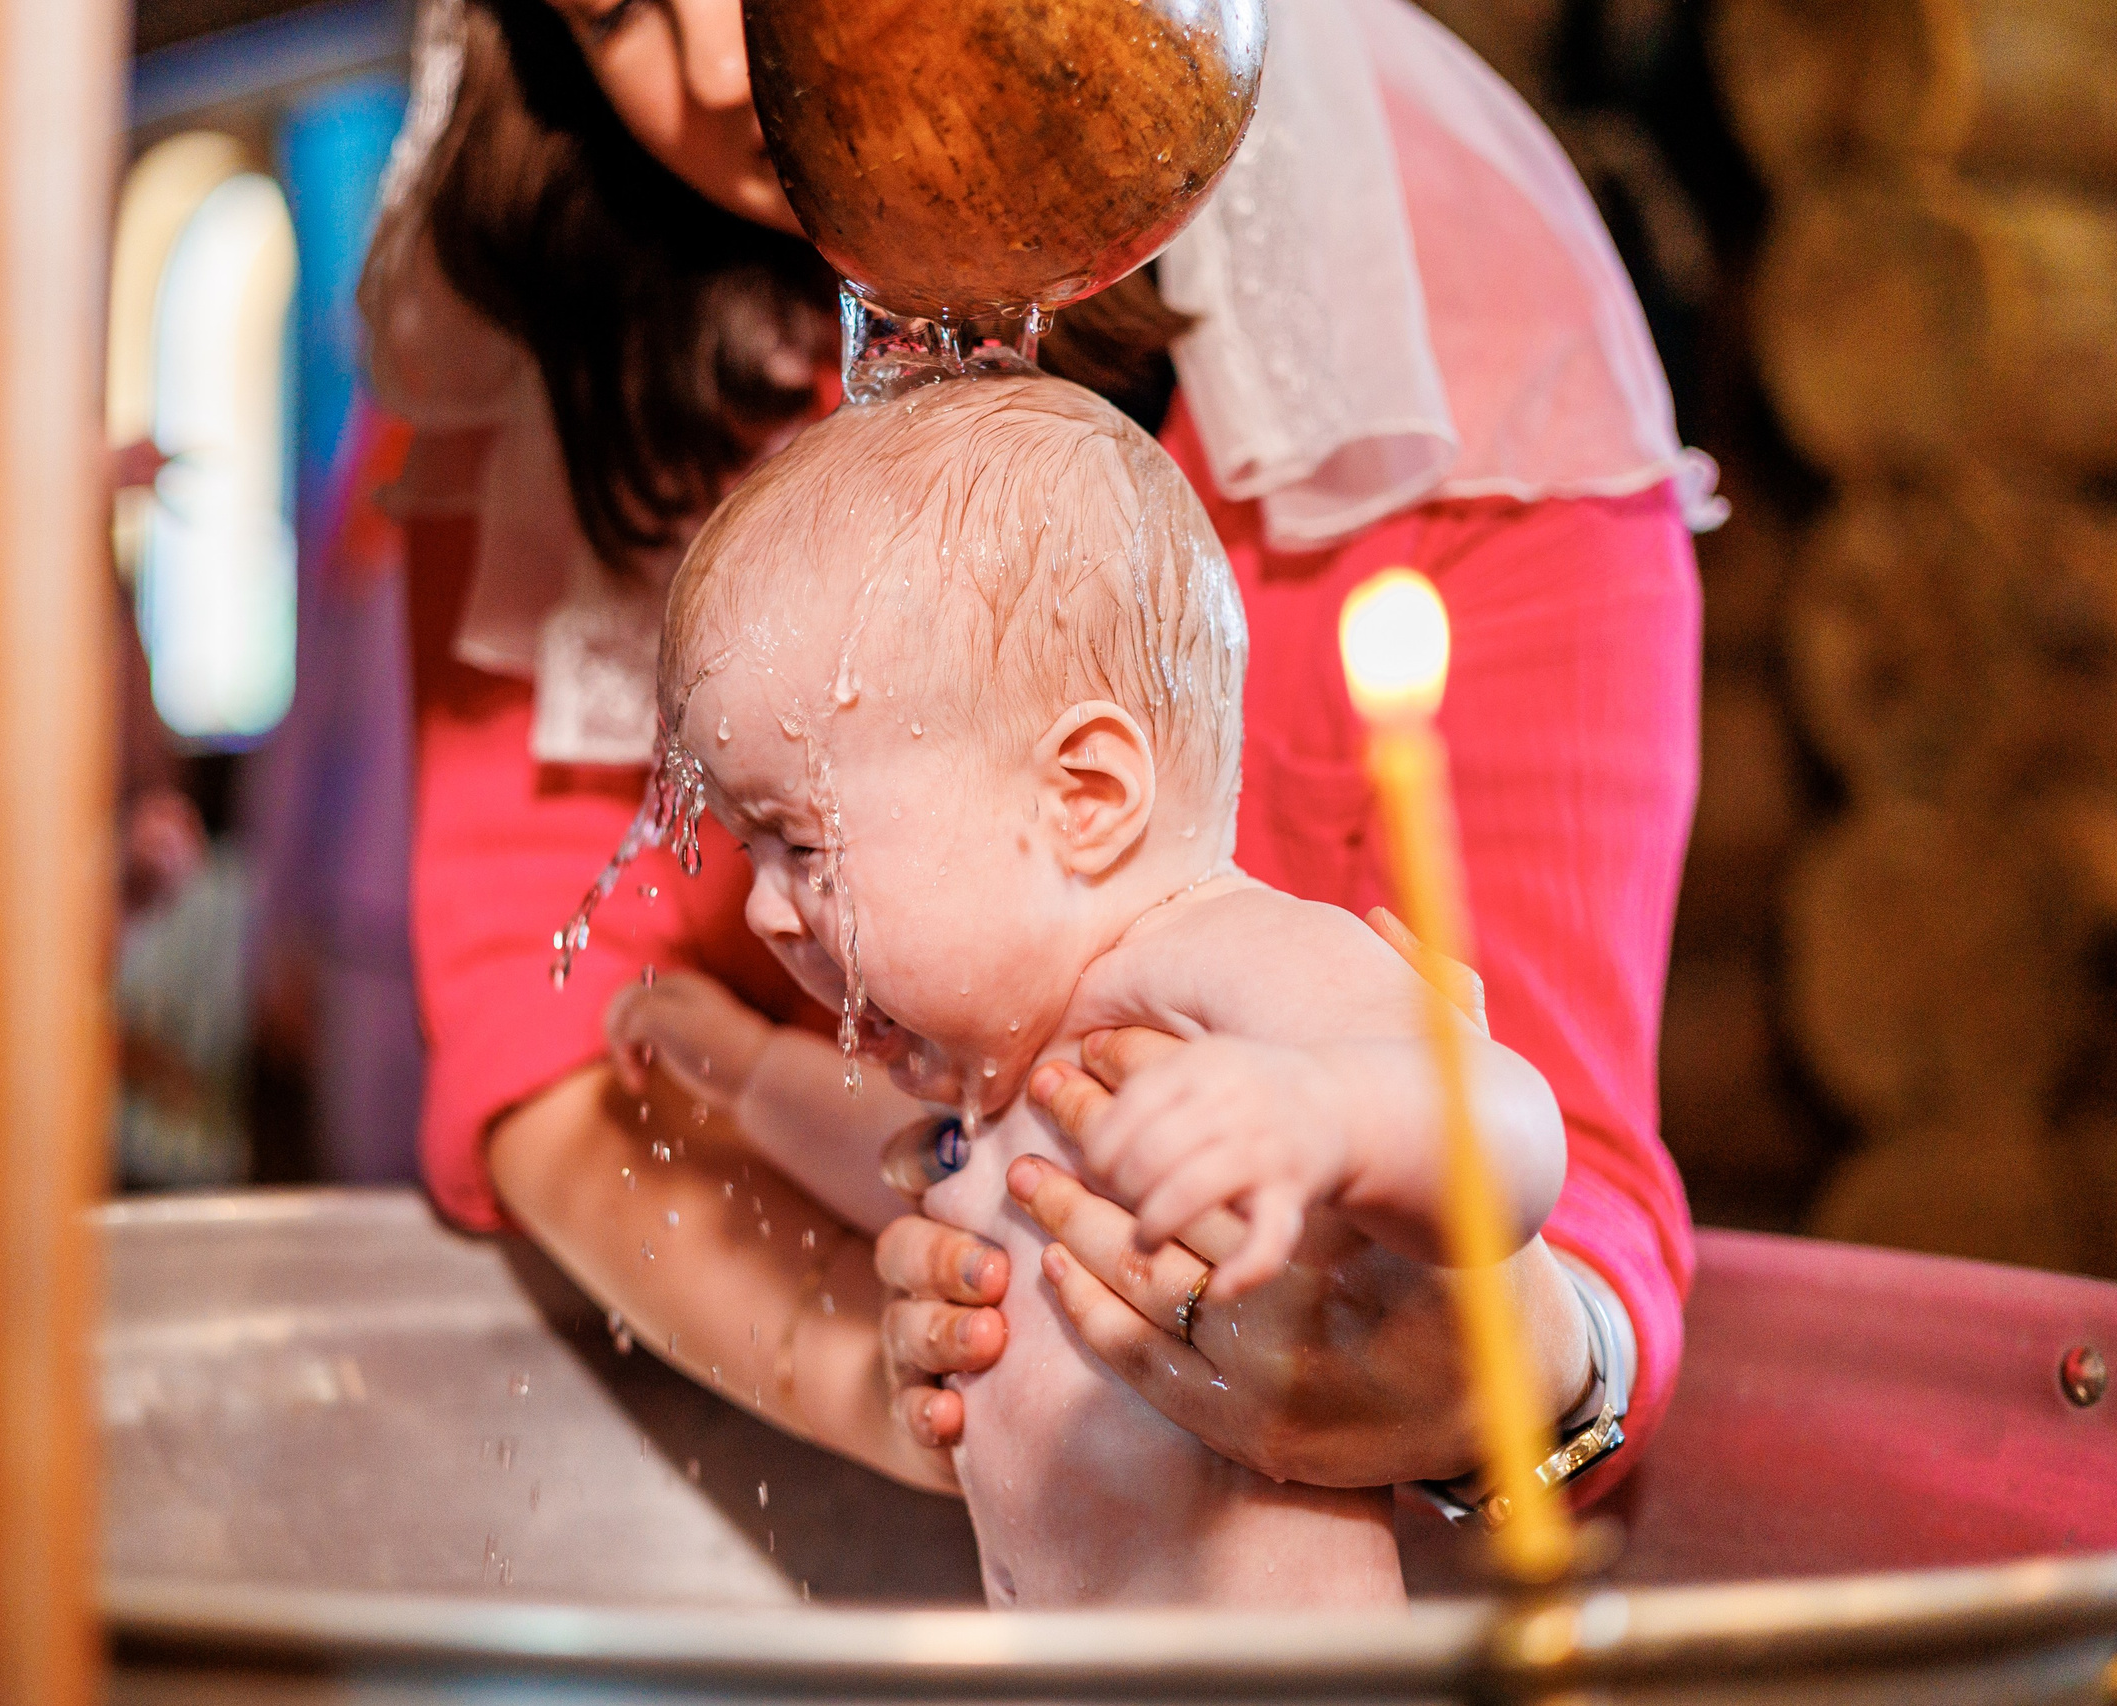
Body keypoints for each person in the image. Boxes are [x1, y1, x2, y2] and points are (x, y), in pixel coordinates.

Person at [361, 0, 1711, 1539]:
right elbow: (544, 1019)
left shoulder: (1442, 311)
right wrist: (879, 1373)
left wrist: (1507, 1380)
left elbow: (1550, 1153)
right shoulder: (575, 293)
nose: (723, 67)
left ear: (1099, 784)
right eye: (612, 7)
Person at [611, 373, 1572, 1606]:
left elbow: (1506, 1130)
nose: (764, 910)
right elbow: (897, 1159)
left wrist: (1323, 1118)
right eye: (749, 850)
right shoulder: (1005, 1064)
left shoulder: (1220, 965)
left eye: (803, 843)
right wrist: (747, 1074)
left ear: (1085, 797)